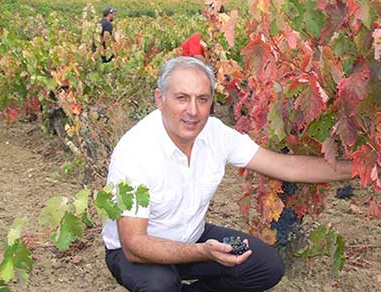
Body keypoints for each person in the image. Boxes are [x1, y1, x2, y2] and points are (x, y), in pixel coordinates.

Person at [102, 57, 352, 292]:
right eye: (182, 98)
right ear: (160, 99)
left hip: (192, 238)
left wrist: (357, 170)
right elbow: (135, 246)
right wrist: (203, 252)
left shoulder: (215, 134)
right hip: (137, 252)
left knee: (266, 267)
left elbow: (289, 167)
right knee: (161, 285)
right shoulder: (135, 151)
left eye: (202, 99)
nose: (193, 111)